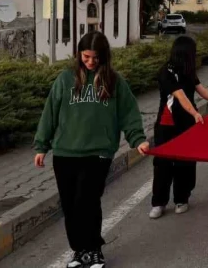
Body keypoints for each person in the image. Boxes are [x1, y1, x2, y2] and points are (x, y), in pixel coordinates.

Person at [34, 32, 150, 268]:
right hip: (65, 153)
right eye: (86, 56)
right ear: (79, 54)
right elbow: (50, 113)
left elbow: (129, 113)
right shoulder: (65, 79)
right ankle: (79, 251)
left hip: (98, 153)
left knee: (86, 201)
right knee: (70, 205)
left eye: (96, 58)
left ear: (104, 57)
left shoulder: (114, 81)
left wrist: (138, 139)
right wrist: (41, 145)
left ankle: (94, 249)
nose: (90, 62)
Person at [150, 36, 208, 219]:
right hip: (166, 125)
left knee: (185, 162)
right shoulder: (166, 72)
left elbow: (200, 89)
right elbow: (180, 96)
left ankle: (181, 198)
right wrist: (195, 113)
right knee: (162, 164)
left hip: (186, 125)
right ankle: (158, 202)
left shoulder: (188, 70)